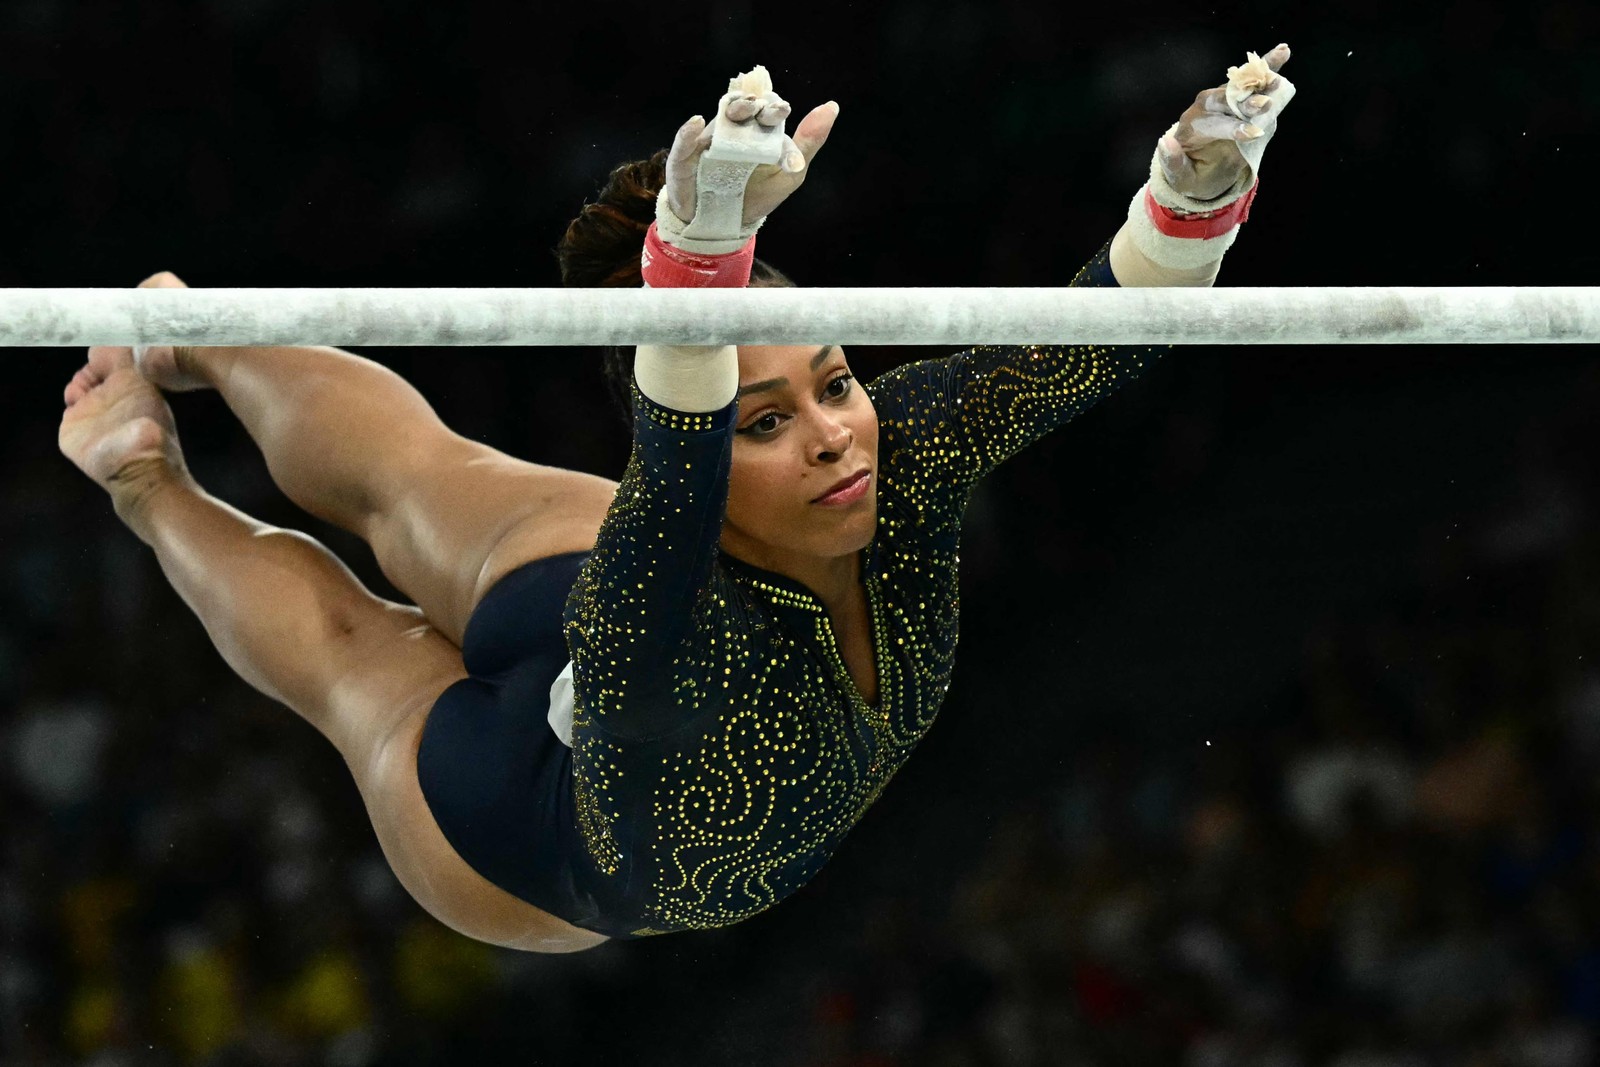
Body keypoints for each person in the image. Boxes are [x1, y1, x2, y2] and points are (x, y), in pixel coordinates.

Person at [57, 46, 1294, 953]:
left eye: (835, 383)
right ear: (705, 447)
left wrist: (1190, 195)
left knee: (426, 482)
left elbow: (1089, 340)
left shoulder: (886, 456)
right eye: (767, 422)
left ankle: (188, 358)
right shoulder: (657, 579)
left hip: (618, 721)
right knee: (356, 646)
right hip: (526, 827)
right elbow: (677, 437)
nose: (829, 438)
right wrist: (694, 258)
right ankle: (146, 471)